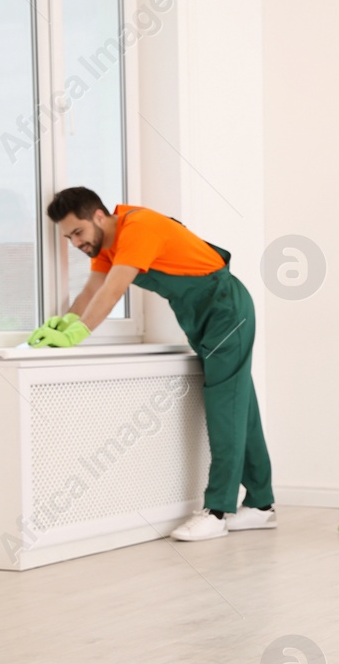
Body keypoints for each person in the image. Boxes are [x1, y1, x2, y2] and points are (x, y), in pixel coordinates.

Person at [39, 188, 275, 541]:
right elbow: (91, 290)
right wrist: (64, 322)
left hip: (226, 311)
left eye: (78, 232)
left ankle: (218, 510)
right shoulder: (107, 247)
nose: (75, 243)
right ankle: (260, 505)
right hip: (203, 319)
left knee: (224, 409)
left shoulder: (139, 228)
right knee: (240, 408)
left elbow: (114, 289)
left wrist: (79, 333)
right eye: (68, 236)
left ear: (99, 217)